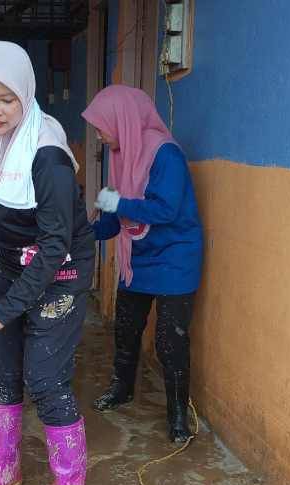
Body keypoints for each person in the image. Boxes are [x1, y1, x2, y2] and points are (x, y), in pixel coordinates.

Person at [0, 42, 95, 485]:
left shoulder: (48, 157)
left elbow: (56, 244)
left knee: (44, 376)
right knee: (0, 369)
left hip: (58, 273)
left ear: (26, 97)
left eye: (7, 99)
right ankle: (6, 471)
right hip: (12, 263)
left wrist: (2, 310)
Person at [82, 85, 204, 443]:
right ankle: (122, 389)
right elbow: (115, 217)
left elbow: (164, 210)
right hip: (138, 256)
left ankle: (179, 417)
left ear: (122, 120)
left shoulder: (165, 154)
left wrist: (116, 203)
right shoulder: (124, 153)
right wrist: (84, 234)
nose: (100, 136)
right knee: (126, 328)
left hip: (174, 257)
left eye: (102, 126)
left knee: (170, 341)